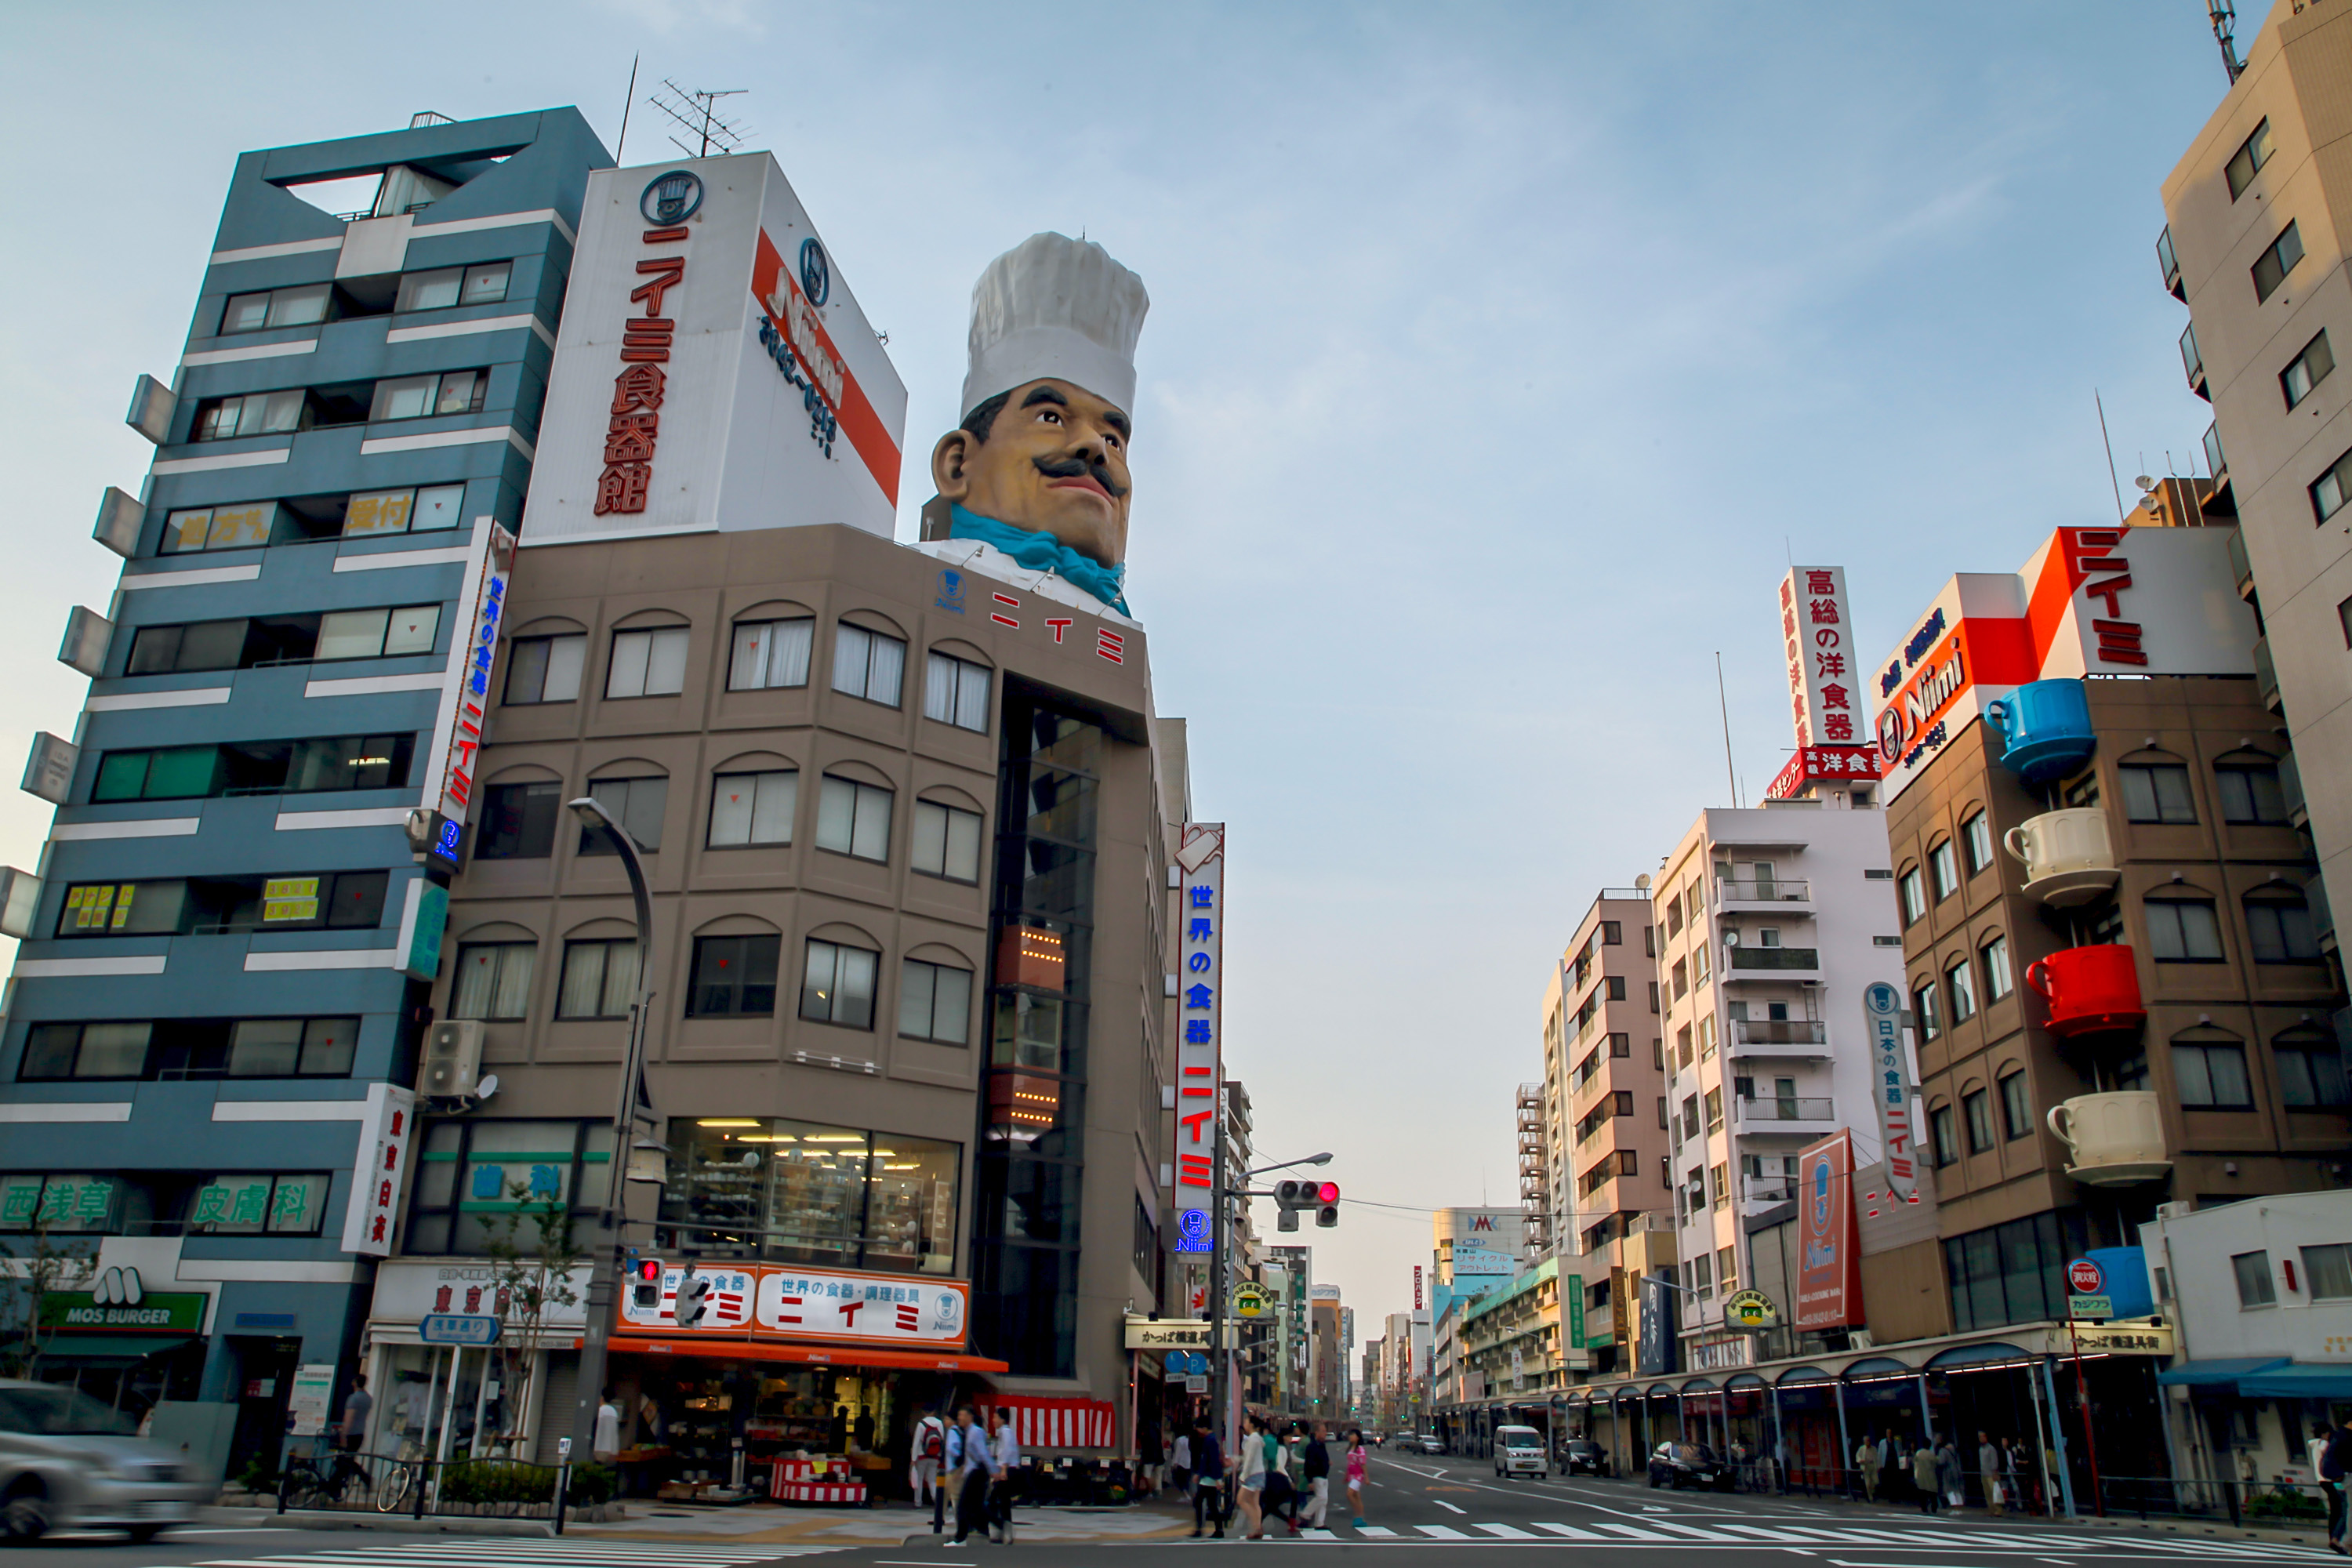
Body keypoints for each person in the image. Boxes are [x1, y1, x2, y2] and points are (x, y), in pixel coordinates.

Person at [921, 234, 1149, 619]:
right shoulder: (914, 581)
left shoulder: (1118, 626)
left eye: (1114, 439)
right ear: (957, 464)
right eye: (1051, 418)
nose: (1095, 446)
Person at [947, 1406, 994, 1546]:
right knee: (975, 1506)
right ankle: (987, 1530)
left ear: (969, 1417)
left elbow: (982, 1454)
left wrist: (994, 1470)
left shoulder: (975, 1432)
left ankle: (960, 1538)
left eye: (961, 1415)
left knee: (963, 1505)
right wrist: (962, 1471)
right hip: (975, 1472)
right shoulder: (969, 1432)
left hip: (978, 1472)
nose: (959, 1418)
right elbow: (971, 1457)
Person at [988, 1409, 1022, 1544]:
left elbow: (1006, 1451)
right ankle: (1004, 1532)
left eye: (995, 1417)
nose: (993, 1420)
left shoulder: (1005, 1432)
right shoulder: (1005, 1432)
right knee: (1003, 1502)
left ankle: (1003, 1529)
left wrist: (1003, 1470)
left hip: (1008, 1471)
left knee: (993, 1501)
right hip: (1008, 1469)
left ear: (1002, 1419)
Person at [1191, 1419, 1225, 1539]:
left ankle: (1200, 1529)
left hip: (1209, 1478)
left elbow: (1210, 1460)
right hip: (1209, 1477)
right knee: (1210, 1504)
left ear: (1205, 1428)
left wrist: (1216, 1478)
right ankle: (1218, 1529)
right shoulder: (1212, 1439)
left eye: (1199, 1428)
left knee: (1199, 1502)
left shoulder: (1210, 1440)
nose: (1198, 1431)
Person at [1236, 1414, 1269, 1539]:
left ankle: (1256, 1527)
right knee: (1255, 1503)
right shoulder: (1257, 1439)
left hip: (1252, 1474)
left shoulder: (1253, 1439)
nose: (1244, 1423)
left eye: (1246, 1421)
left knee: (1242, 1500)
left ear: (1251, 1425)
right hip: (1259, 1473)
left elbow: (1249, 1459)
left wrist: (1244, 1475)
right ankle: (1257, 1528)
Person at [2319, 1419, 2347, 1556]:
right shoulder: (2340, 1441)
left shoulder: (2332, 1444)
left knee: (2344, 1511)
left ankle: (2336, 1538)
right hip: (2345, 1479)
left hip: (2335, 1480)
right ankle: (2338, 1539)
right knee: (2346, 1511)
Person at [911, 1406, 946, 1517]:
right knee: (932, 1480)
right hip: (935, 1456)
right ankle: (936, 1500)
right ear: (934, 1411)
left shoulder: (921, 1424)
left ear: (923, 1412)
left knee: (919, 1479)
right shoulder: (940, 1423)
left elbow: (916, 1441)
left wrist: (913, 1458)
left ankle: (918, 1502)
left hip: (922, 1455)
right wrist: (939, 1455)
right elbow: (942, 1440)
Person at [1301, 1422, 1331, 1529]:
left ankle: (1319, 1523)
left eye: (1325, 1431)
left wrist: (1327, 1462)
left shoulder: (1322, 1445)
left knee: (1324, 1500)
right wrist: (1310, 1480)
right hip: (1316, 1476)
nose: (1325, 1433)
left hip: (1324, 1476)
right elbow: (1309, 1463)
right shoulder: (1312, 1446)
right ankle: (1305, 1514)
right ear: (1317, 1432)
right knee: (1321, 1497)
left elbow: (1323, 1458)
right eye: (1323, 1431)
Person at [339, 1372, 372, 1454]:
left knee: (343, 1461)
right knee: (350, 1458)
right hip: (360, 1433)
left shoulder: (353, 1398)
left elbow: (349, 1418)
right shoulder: (368, 1398)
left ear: (354, 1382)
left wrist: (343, 1435)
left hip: (351, 1434)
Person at [1977, 1431, 2004, 1515]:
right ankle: (1991, 1509)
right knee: (1987, 1493)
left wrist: (1995, 1472)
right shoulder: (1981, 1449)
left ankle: (1998, 1510)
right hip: (1984, 1473)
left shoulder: (1991, 1448)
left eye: (1983, 1436)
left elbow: (1994, 1461)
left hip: (1991, 1474)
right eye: (1980, 1437)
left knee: (1994, 1492)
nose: (1981, 1438)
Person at [593, 1388, 622, 1465]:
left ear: (602, 1398)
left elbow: (595, 1428)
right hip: (610, 1448)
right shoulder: (614, 1412)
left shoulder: (601, 1411)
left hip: (598, 1446)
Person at [1346, 1428, 1368, 1528]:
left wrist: (1366, 1478)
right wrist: (1346, 1476)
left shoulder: (1360, 1449)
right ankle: (1360, 1518)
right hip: (1352, 1476)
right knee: (1357, 1497)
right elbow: (1349, 1464)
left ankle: (1358, 1516)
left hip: (1358, 1476)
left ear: (1358, 1437)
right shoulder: (1350, 1448)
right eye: (1350, 1435)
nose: (1351, 1437)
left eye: (1353, 1435)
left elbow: (1363, 1464)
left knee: (1349, 1494)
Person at [1936, 1437, 1963, 1512]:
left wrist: (1936, 1460)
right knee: (1957, 1490)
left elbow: (1942, 1462)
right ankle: (1959, 1508)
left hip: (1948, 1472)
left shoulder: (1943, 1450)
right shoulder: (1953, 1449)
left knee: (1950, 1490)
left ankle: (1954, 1508)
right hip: (1956, 1470)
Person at [1912, 1440, 1940, 1514]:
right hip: (1930, 1475)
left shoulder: (1919, 1453)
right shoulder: (1931, 1454)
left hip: (1921, 1475)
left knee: (1922, 1493)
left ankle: (1924, 1508)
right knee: (1933, 1492)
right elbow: (1935, 1463)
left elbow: (1915, 1463)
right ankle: (1934, 1508)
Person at [1169, 1426, 1192, 1500]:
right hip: (1190, 1463)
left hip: (1181, 1463)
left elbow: (1177, 1452)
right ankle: (1188, 1495)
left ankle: (1186, 1494)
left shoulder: (1180, 1440)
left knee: (1180, 1480)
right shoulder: (1193, 1440)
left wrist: (1174, 1463)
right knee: (1187, 1480)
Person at [1857, 1434, 1880, 1502]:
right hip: (1866, 1466)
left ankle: (1872, 1492)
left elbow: (1877, 1458)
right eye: (1866, 1441)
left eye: (1868, 1441)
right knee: (1867, 1483)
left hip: (1873, 1465)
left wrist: (1878, 1466)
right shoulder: (1861, 1449)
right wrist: (1860, 1460)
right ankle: (1870, 1498)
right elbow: (1858, 1456)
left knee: (1876, 1481)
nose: (1867, 1442)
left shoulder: (1874, 1449)